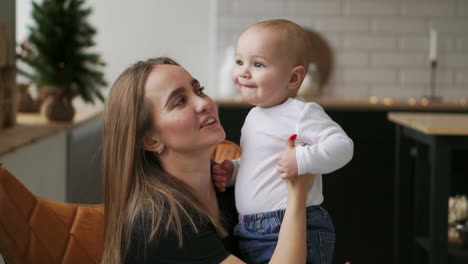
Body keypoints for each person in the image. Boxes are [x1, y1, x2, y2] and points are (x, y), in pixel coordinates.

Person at [101, 57, 316, 264]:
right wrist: (297, 193)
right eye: (179, 101)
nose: (203, 103)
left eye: (198, 90)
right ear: (150, 140)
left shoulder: (231, 185)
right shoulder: (160, 222)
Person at [212, 19, 354, 264]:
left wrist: (302, 159)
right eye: (239, 61)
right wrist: (235, 170)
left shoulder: (301, 112)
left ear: (293, 77)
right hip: (250, 231)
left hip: (294, 226)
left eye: (257, 64)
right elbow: (259, 163)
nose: (244, 71)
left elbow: (343, 146)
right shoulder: (254, 115)